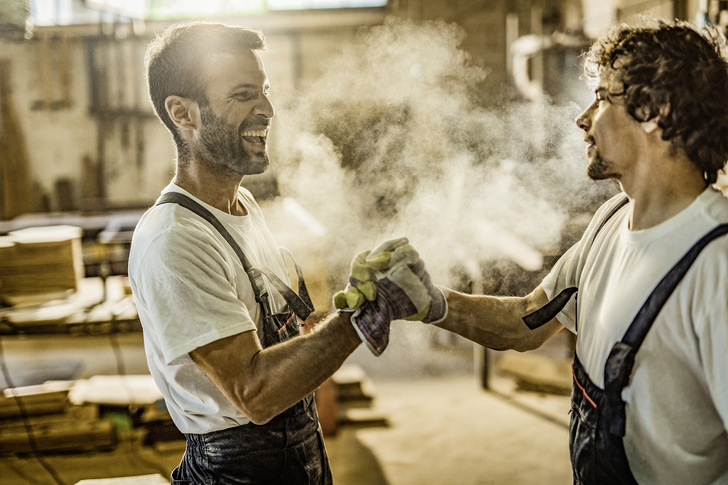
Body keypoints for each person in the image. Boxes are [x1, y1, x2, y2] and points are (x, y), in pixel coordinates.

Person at [393, 18, 728, 485]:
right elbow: (528, 319)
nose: (583, 118)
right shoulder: (611, 220)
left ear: (656, 111)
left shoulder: (717, 265)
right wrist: (427, 302)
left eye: (603, 98)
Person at [128, 22, 444, 484]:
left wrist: (357, 294)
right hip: (236, 470)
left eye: (265, 91)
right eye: (242, 95)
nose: (268, 110)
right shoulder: (174, 239)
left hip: (298, 446)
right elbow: (253, 392)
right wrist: (362, 318)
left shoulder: (243, 206)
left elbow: (278, 336)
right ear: (183, 113)